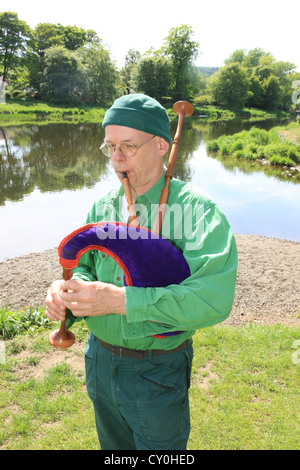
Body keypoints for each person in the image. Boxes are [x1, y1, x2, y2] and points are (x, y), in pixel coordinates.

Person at [45, 94, 238, 450]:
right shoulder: (103, 206)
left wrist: (119, 301)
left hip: (157, 369)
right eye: (110, 147)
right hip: (99, 360)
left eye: (128, 146)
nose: (116, 158)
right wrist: (69, 294)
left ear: (162, 145)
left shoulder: (196, 211)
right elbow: (85, 267)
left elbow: (211, 299)